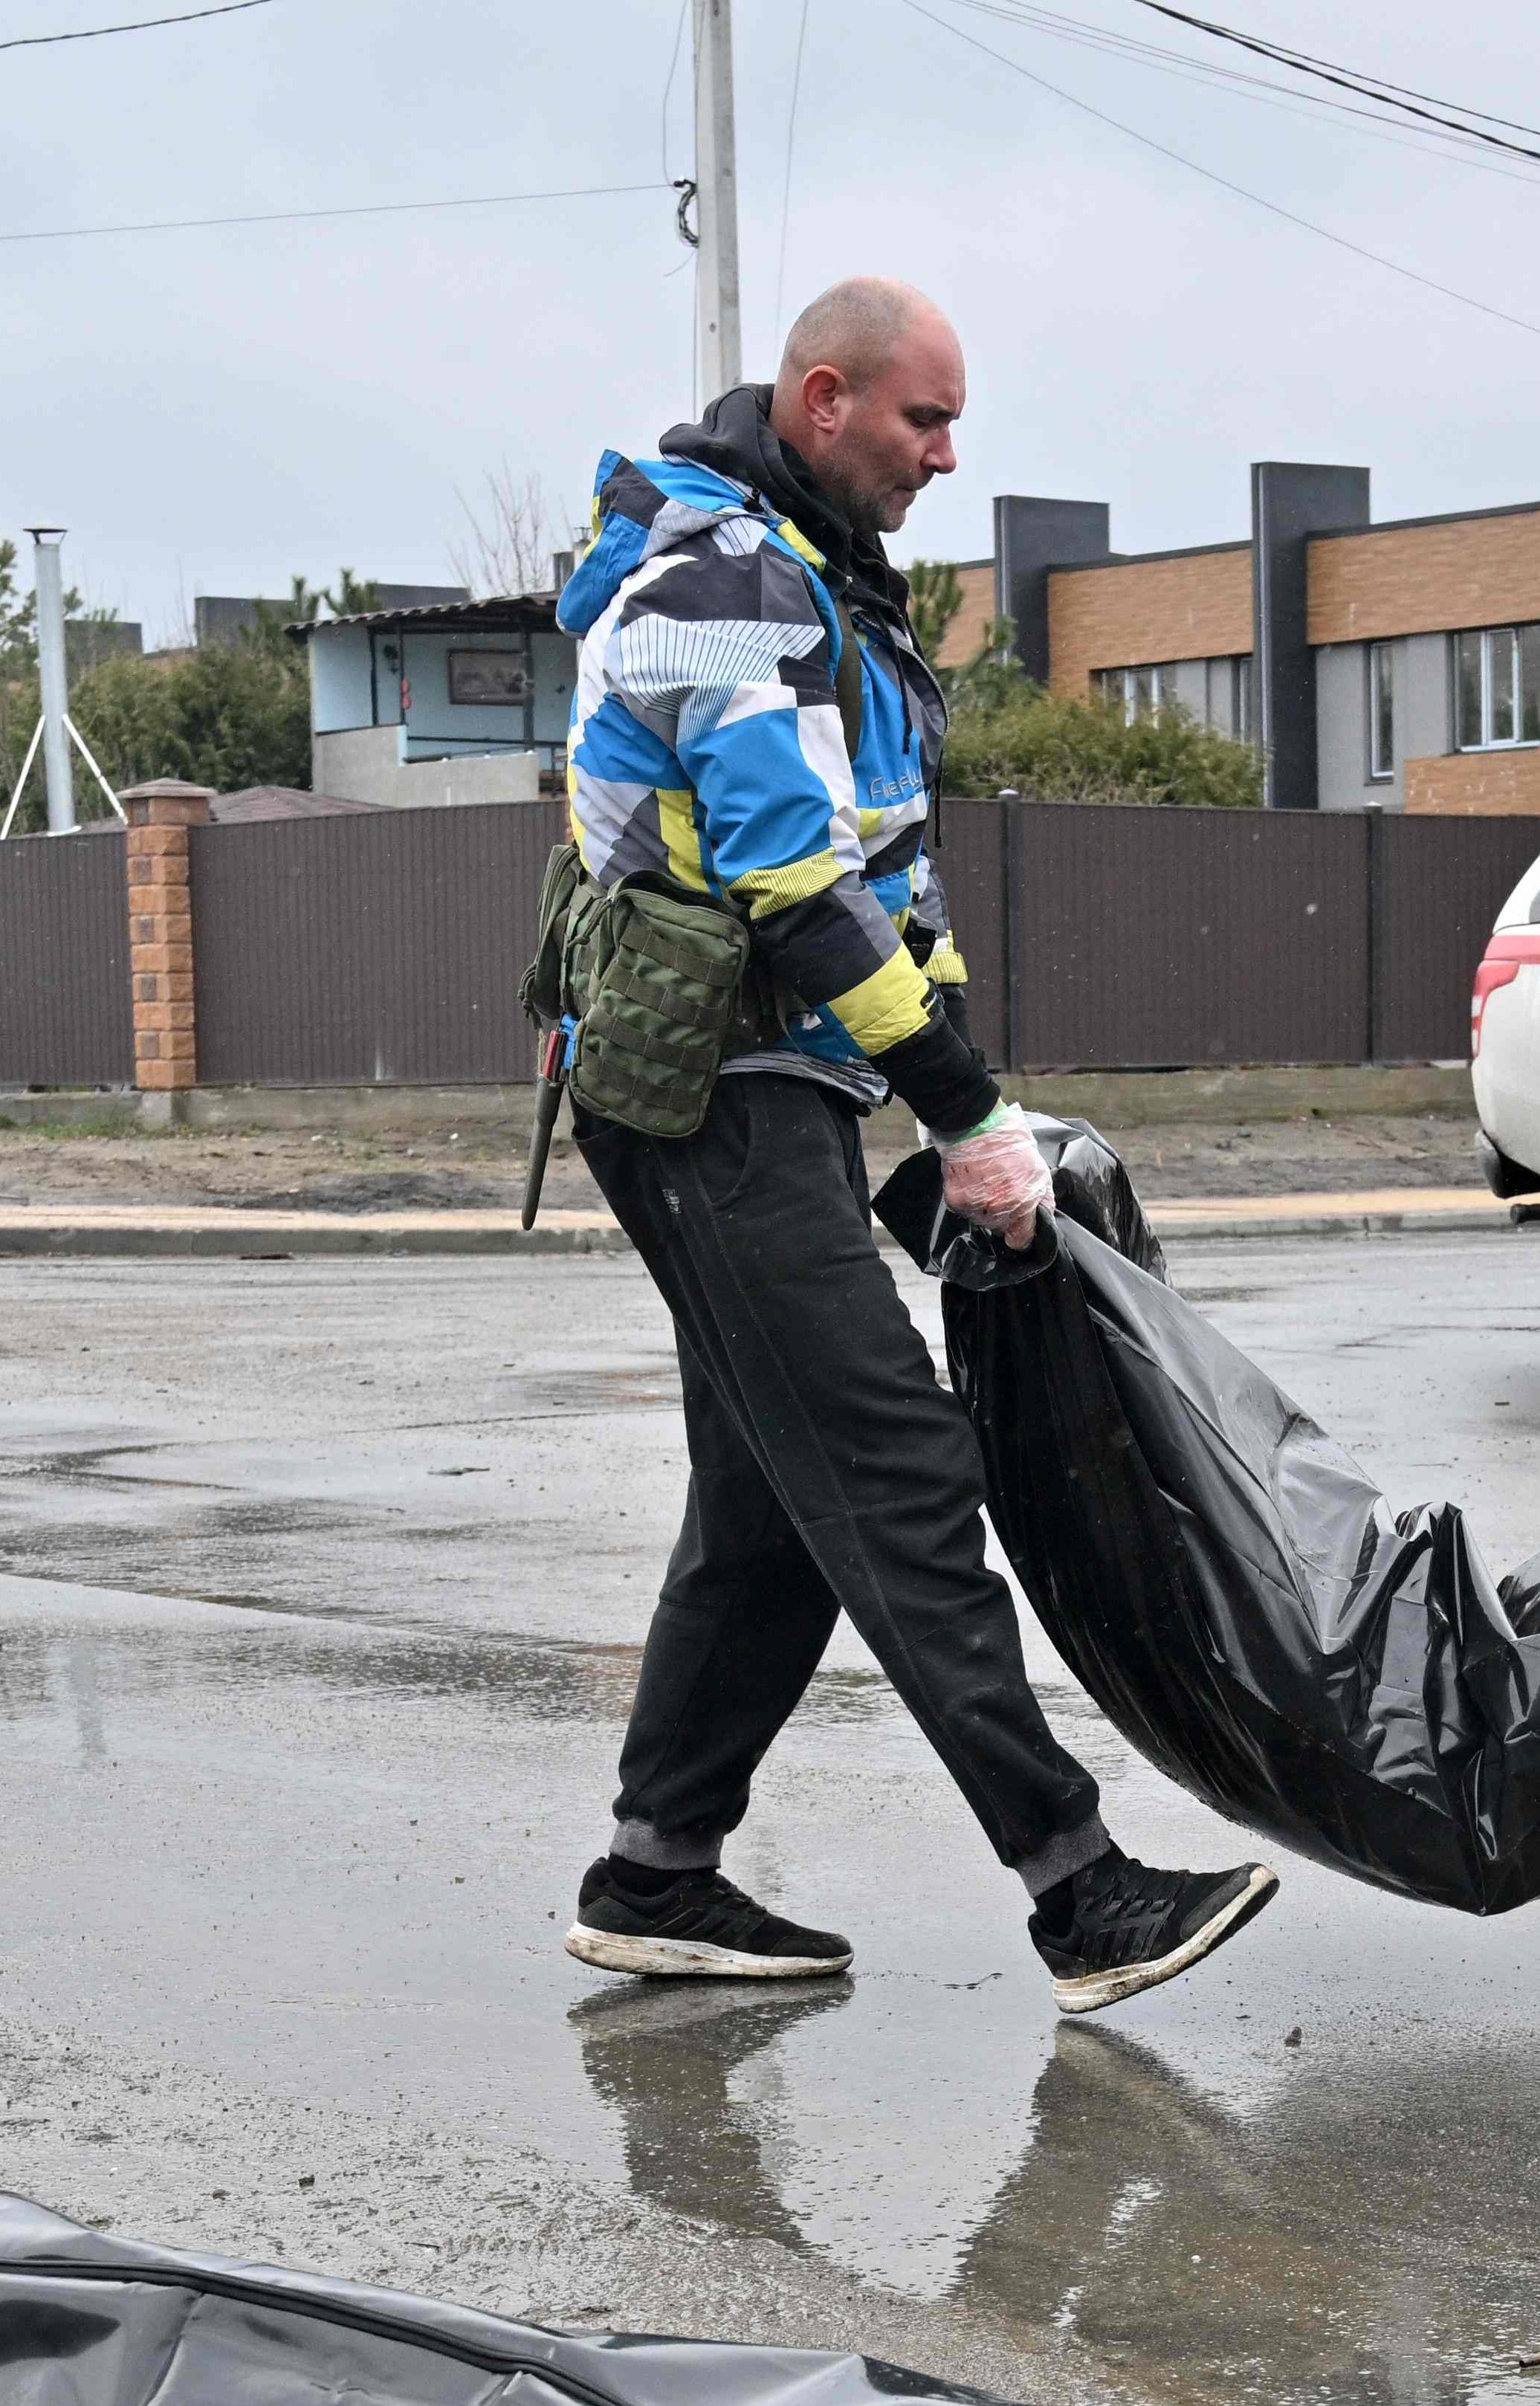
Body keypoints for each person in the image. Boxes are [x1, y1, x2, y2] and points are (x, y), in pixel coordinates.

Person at [549, 277, 1278, 2017]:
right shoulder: (718, 589)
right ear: (821, 400)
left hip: (768, 1089)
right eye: (921, 422)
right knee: (890, 1466)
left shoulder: (819, 588)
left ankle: (655, 1876)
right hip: (705, 1102)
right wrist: (955, 1115)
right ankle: (1077, 1889)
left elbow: (890, 892)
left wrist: (977, 1108)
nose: (948, 457)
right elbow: (790, 885)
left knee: (771, 1507)